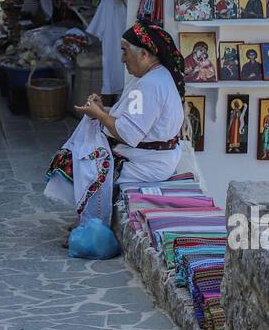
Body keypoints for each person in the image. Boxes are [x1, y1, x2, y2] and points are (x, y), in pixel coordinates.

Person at [49, 19, 186, 243]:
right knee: (81, 156)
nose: (122, 59)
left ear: (144, 54)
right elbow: (133, 118)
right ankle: (88, 222)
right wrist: (103, 110)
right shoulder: (151, 78)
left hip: (148, 163)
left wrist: (100, 115)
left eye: (125, 52)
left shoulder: (150, 85)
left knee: (85, 164)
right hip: (150, 156)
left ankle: (92, 231)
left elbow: (128, 134)